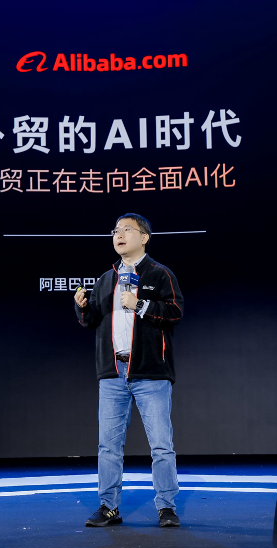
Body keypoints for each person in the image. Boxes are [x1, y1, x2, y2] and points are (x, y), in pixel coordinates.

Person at [73, 213, 184, 528]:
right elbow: (91, 321)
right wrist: (82, 306)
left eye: (126, 230)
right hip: (113, 374)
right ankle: (108, 507)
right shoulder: (105, 279)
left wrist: (140, 305)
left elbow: (175, 312)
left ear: (144, 237)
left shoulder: (160, 274)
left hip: (150, 372)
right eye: (116, 231)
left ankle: (166, 508)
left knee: (161, 445)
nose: (119, 235)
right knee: (108, 446)